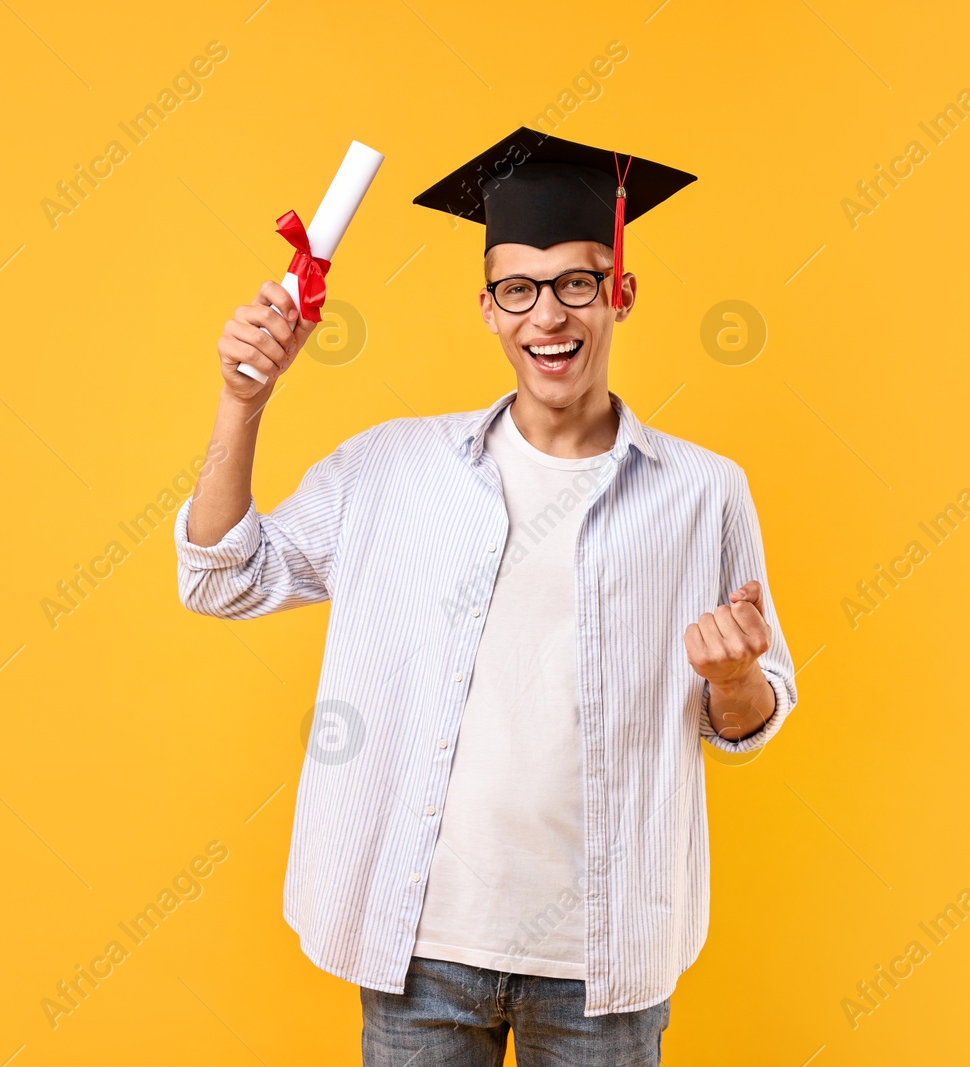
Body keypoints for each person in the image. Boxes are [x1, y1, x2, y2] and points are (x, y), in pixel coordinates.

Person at [174, 126, 798, 1067]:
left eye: (577, 283)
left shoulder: (702, 491)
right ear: (489, 308)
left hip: (606, 957)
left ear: (619, 292)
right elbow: (222, 578)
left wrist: (735, 676)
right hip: (420, 948)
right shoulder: (392, 468)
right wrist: (242, 403)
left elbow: (750, 720)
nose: (548, 315)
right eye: (519, 289)